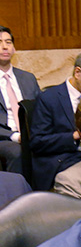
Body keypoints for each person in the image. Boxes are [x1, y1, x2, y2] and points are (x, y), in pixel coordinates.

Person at [29, 51, 81, 190]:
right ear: (78, 72)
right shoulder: (49, 98)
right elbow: (38, 142)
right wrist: (73, 136)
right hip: (63, 158)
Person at [0, 26, 41, 173]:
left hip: (31, 134)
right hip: (4, 138)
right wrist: (15, 136)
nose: (5, 46)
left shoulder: (27, 78)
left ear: (14, 48)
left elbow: (41, 110)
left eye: (8, 42)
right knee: (17, 152)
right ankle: (18, 195)